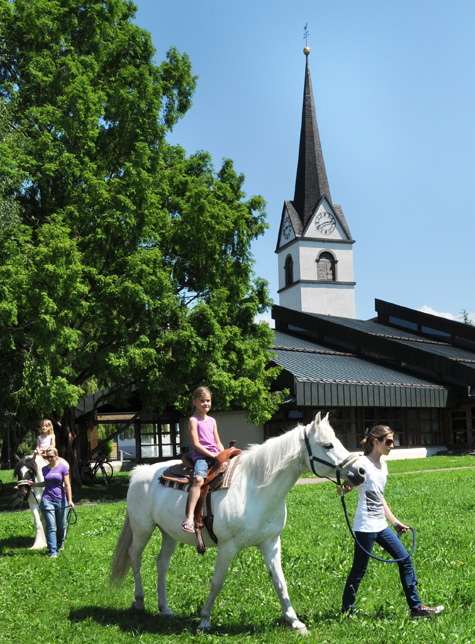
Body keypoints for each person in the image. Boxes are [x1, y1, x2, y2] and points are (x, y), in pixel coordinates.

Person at [340, 425, 444, 619]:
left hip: (381, 525)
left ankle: (416, 608)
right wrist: (344, 489)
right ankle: (347, 611)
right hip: (365, 526)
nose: (392, 445)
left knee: (405, 560)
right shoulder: (361, 463)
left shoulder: (383, 465)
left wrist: (394, 521)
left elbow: (380, 497)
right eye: (388, 442)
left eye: (392, 441)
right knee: (359, 570)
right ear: (375, 442)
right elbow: (345, 486)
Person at [182, 386, 224, 533]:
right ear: (194, 402)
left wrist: (223, 454)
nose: (206, 404)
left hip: (214, 454)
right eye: (202, 401)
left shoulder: (212, 420)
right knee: (199, 480)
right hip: (201, 456)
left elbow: (217, 441)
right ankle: (189, 518)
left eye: (208, 401)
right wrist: (212, 455)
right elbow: (196, 444)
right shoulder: (193, 420)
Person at [31, 447, 74, 558]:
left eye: (51, 456)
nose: (49, 459)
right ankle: (52, 550)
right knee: (50, 525)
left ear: (56, 455)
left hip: (61, 499)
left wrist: (70, 500)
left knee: (61, 526)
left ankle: (60, 543)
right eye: (47, 457)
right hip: (47, 499)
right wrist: (35, 485)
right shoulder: (45, 469)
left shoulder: (63, 468)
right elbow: (46, 483)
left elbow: (67, 485)